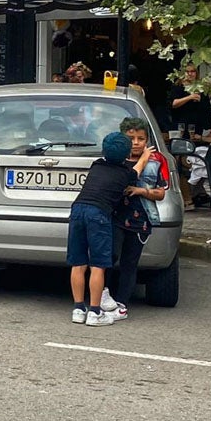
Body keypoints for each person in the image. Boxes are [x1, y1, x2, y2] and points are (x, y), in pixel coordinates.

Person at [67, 132, 138, 327]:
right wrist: (146, 155)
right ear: (127, 154)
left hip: (77, 209)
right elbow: (136, 170)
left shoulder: (96, 165)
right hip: (98, 214)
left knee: (78, 263)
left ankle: (78, 309)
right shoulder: (126, 173)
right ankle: (95, 312)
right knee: (98, 265)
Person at [108, 118, 169, 317]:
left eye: (141, 138)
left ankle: (122, 302)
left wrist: (141, 191)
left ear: (146, 140)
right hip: (115, 216)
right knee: (109, 256)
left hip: (140, 220)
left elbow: (161, 193)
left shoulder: (155, 162)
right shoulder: (116, 158)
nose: (136, 142)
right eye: (131, 138)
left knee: (130, 263)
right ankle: (103, 297)